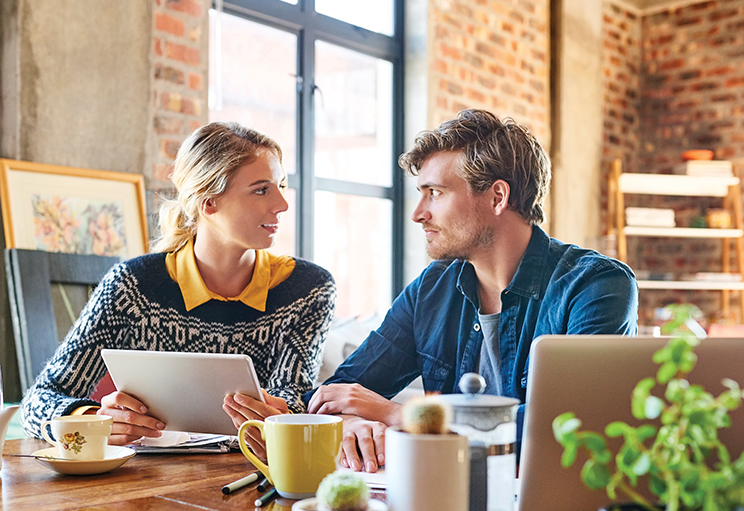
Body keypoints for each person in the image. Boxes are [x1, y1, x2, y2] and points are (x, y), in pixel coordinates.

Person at [305, 108, 638, 472]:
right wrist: (353, 424)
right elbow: (336, 394)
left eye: (436, 193)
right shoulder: (432, 289)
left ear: (497, 197)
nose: (418, 213)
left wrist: (404, 415)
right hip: (446, 497)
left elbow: (576, 425)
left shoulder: (596, 285)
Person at [22, 121, 336, 452]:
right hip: (145, 487)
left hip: (252, 478)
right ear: (209, 202)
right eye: (261, 190)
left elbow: (294, 398)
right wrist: (95, 420)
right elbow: (37, 403)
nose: (282, 205)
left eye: (280, 185)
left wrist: (282, 415)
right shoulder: (132, 287)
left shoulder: (308, 289)